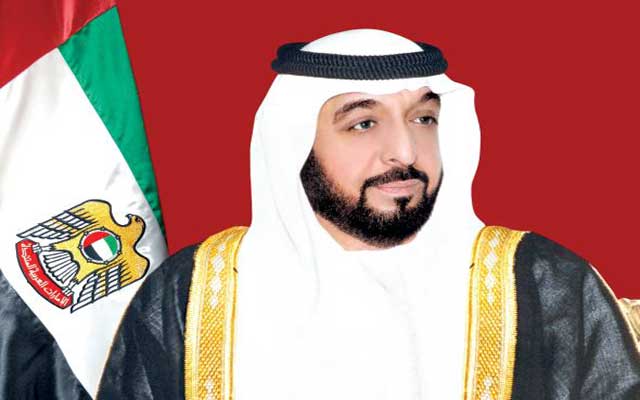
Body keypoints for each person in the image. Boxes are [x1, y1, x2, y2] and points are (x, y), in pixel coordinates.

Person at [96, 29, 640, 400]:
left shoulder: (543, 284)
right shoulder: (194, 292)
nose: (404, 152)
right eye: (363, 124)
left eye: (423, 119)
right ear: (293, 144)